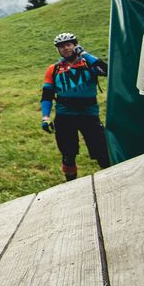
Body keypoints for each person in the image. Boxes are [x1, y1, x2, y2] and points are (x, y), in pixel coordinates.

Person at [41, 32, 110, 181]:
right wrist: (45, 117)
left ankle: (111, 181)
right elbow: (47, 95)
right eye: (61, 46)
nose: (65, 48)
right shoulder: (54, 69)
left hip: (89, 114)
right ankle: (71, 185)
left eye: (68, 45)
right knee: (68, 154)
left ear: (75, 45)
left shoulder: (88, 64)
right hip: (65, 115)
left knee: (102, 152)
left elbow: (107, 70)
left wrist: (84, 54)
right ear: (58, 50)